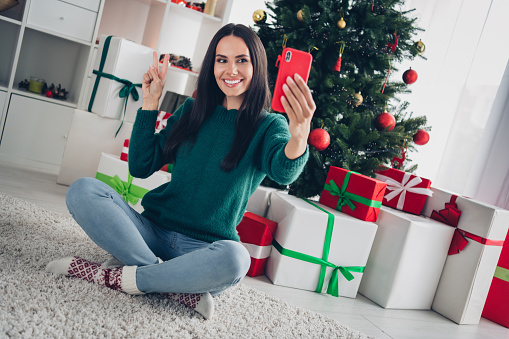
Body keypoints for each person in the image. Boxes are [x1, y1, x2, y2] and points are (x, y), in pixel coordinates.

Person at [45, 23, 316, 320]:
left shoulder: (268, 126)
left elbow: (284, 171)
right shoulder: (192, 110)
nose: (231, 70)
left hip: (205, 250)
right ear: (212, 65)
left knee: (237, 259)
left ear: (258, 66)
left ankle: (130, 275)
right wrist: (150, 104)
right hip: (151, 231)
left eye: (242, 60)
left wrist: (299, 136)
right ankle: (171, 285)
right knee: (84, 189)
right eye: (221, 60)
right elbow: (141, 165)